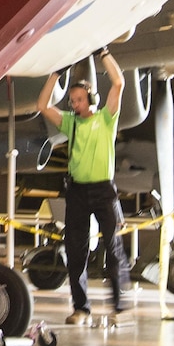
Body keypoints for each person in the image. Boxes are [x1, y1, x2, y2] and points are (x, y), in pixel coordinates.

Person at [39, 49, 130, 326]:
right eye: (72, 100)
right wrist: (55, 74)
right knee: (76, 250)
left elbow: (119, 83)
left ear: (91, 99)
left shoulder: (106, 119)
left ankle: (118, 306)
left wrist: (104, 54)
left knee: (113, 249)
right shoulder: (70, 123)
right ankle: (82, 308)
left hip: (103, 191)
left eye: (79, 99)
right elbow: (43, 105)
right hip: (77, 191)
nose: (75, 104)